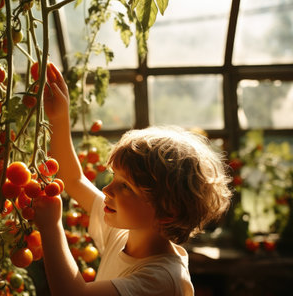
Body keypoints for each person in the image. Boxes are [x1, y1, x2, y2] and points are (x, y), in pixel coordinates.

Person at [32, 63, 233, 296]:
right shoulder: (122, 233)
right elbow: (74, 180)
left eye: (126, 186)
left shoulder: (163, 279)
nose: (107, 189)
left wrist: (50, 226)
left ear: (168, 210)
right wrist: (59, 118)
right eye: (113, 178)